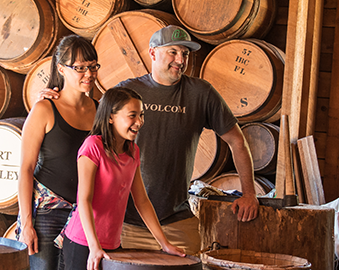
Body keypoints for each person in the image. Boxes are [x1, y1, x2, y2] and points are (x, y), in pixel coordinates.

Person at [44, 25, 259, 255]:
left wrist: (249, 193)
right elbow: (87, 129)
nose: (180, 59)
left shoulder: (201, 93)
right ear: (153, 53)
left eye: (185, 54)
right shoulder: (126, 91)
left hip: (177, 221)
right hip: (125, 224)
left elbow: (237, 141)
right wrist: (54, 100)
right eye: (173, 52)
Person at [55, 87, 185, 270]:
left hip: (113, 244)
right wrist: (94, 248)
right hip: (83, 242)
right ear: (111, 116)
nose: (139, 122)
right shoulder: (92, 146)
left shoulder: (132, 150)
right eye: (132, 115)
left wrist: (164, 243)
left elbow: (142, 201)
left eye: (141, 115)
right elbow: (83, 199)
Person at [17, 35, 98, 270]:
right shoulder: (44, 110)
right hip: (46, 213)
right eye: (80, 68)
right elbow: (25, 169)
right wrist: (27, 224)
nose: (88, 74)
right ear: (61, 69)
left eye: (92, 67)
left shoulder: (99, 111)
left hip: (83, 215)